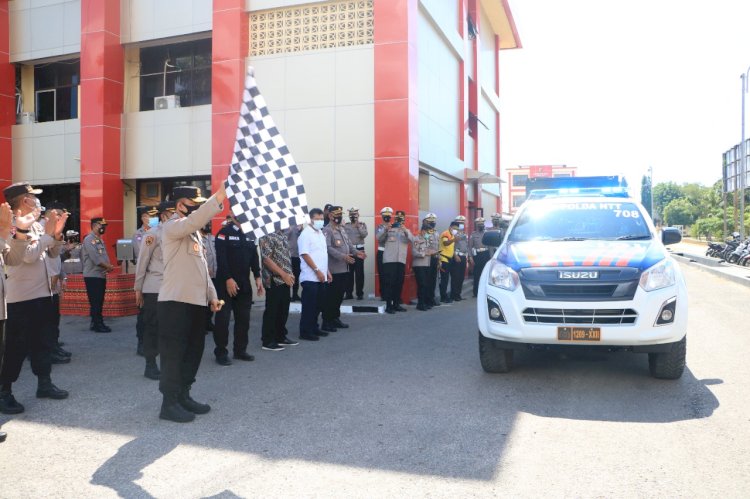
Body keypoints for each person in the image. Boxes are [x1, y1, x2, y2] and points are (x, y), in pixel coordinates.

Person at [0, 183, 70, 415]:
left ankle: (45, 383)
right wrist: (49, 236)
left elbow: (52, 253)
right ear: (24, 201)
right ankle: (5, 391)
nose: (37, 201)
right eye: (33, 197)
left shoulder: (37, 227)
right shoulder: (11, 226)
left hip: (42, 295)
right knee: (15, 348)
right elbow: (27, 256)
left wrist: (56, 235)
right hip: (19, 300)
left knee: (44, 342)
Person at [157, 185, 225, 423]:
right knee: (173, 354)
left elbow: (202, 270)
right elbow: (194, 220)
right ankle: (169, 403)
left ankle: (184, 394)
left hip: (196, 302)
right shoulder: (171, 226)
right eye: (192, 201)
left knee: (193, 352)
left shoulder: (193, 232)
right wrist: (218, 198)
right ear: (179, 204)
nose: (196, 205)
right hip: (175, 302)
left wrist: (212, 295)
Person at [213, 213, 263, 366]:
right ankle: (221, 352)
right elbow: (221, 258)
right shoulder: (224, 233)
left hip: (243, 284)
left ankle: (240, 350)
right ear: (234, 215)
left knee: (244, 319)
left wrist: (257, 276)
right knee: (223, 319)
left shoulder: (250, 233)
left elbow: (254, 256)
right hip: (224, 284)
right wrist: (228, 278)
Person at [134, 201, 174, 381]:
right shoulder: (152, 235)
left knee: (170, 328)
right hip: (154, 287)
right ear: (164, 215)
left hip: (173, 287)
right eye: (172, 214)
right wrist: (138, 289)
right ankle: (150, 364)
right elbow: (142, 262)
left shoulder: (179, 234)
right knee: (152, 327)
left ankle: (168, 363)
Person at [322, 206, 364, 332]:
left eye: (340, 215)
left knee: (339, 296)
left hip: (344, 269)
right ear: (330, 216)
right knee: (331, 297)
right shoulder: (327, 230)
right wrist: (343, 256)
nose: (339, 217)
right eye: (336, 215)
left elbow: (349, 245)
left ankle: (335, 318)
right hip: (334, 269)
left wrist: (357, 253)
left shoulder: (342, 229)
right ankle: (327, 321)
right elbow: (328, 248)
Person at [259, 229, 298, 351]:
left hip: (285, 279)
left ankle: (280, 336)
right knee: (272, 310)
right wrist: (283, 274)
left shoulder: (282, 235)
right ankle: (268, 340)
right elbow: (267, 259)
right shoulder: (266, 236)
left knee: (283, 310)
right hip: (274, 280)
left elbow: (285, 257)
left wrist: (289, 273)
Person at [297, 208, 332, 341]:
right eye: (317, 219)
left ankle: (314, 327)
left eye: (321, 219)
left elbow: (322, 254)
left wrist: (326, 271)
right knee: (309, 305)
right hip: (310, 277)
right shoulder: (306, 234)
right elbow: (305, 254)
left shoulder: (320, 233)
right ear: (310, 219)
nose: (320, 221)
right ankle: (305, 331)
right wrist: (317, 270)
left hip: (321, 276)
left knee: (318, 304)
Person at [44, 203, 71, 365]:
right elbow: (44, 259)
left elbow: (57, 259)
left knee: (54, 319)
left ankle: (54, 346)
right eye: (59, 216)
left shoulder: (57, 234)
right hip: (45, 285)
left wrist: (63, 277)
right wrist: (52, 278)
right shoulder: (43, 231)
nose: (62, 219)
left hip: (54, 283)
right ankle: (48, 349)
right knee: (46, 321)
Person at [81, 217, 116, 332]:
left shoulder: (99, 240)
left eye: (104, 226)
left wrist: (108, 266)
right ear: (95, 225)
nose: (103, 228)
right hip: (92, 275)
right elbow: (95, 258)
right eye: (102, 226)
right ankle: (97, 325)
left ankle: (95, 322)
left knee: (99, 301)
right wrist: (108, 267)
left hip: (100, 275)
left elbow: (103, 257)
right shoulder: (89, 239)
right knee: (96, 301)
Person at [133, 206, 159, 355]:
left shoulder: (160, 232)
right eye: (150, 216)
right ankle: (141, 341)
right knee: (144, 314)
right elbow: (142, 256)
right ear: (143, 218)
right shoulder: (139, 234)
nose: (153, 219)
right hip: (146, 277)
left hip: (159, 280)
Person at [378, 210, 414, 314]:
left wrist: (405, 230)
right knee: (389, 283)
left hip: (400, 260)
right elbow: (378, 238)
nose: (399, 221)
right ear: (394, 219)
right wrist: (386, 229)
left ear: (404, 220)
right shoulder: (389, 229)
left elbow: (413, 240)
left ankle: (396, 304)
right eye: (398, 219)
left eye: (401, 219)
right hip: (389, 260)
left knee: (399, 283)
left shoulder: (406, 231)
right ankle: (389, 305)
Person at [413, 214, 439, 311]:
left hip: (433, 258)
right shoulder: (418, 237)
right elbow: (417, 250)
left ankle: (429, 300)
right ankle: (424, 301)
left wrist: (438, 259)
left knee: (431, 281)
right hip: (424, 260)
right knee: (424, 283)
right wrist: (426, 254)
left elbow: (436, 247)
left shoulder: (435, 233)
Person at [344, 207, 368, 300]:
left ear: (358, 215)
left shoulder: (362, 225)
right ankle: (348, 293)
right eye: (351, 215)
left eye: (355, 215)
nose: (353, 216)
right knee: (349, 273)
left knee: (359, 273)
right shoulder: (346, 225)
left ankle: (359, 293)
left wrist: (358, 226)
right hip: (349, 251)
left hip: (359, 250)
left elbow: (364, 234)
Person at [469, 216, 492, 298]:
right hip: (477, 256)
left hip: (486, 255)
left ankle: (485, 292)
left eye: (482, 224)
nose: (481, 225)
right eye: (479, 224)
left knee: (485, 274)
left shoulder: (487, 233)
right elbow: (470, 247)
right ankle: (476, 292)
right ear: (476, 225)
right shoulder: (473, 235)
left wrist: (491, 257)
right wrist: (470, 257)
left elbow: (490, 246)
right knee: (477, 274)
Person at [201, 223, 217, 332]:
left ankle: (209, 322)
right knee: (203, 301)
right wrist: (206, 267)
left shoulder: (213, 238)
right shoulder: (197, 239)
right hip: (203, 276)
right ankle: (202, 324)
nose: (208, 226)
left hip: (215, 274)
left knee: (212, 300)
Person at [423, 213, 441, 309]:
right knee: (427, 280)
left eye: (433, 222)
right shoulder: (424, 233)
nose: (432, 223)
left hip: (435, 258)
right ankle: (426, 300)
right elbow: (424, 246)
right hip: (427, 259)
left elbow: (438, 246)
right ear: (426, 222)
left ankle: (431, 298)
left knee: (433, 280)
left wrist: (439, 260)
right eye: (430, 222)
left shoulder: (436, 233)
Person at [375, 207, 393, 300]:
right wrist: (385, 230)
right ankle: (384, 295)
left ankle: (391, 294)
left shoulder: (394, 227)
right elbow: (379, 238)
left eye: (388, 216)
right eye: (385, 216)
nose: (387, 217)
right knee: (382, 274)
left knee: (390, 274)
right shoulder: (379, 227)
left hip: (391, 253)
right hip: (382, 251)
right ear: (382, 216)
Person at [439, 219, 458, 303]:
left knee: (447, 279)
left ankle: (445, 295)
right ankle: (443, 297)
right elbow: (445, 243)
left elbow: (451, 248)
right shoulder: (445, 234)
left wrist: (455, 255)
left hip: (450, 259)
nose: (455, 230)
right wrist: (453, 240)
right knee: (444, 279)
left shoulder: (452, 235)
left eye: (456, 229)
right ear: (450, 227)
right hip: (443, 259)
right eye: (454, 228)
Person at [450, 215, 469, 301]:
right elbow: (451, 245)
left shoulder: (464, 233)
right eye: (460, 223)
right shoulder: (453, 232)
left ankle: (458, 294)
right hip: (457, 256)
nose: (462, 224)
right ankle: (453, 295)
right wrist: (455, 255)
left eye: (463, 223)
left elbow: (466, 245)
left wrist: (467, 256)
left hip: (463, 256)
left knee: (461, 277)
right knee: (455, 277)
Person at [286, 225, 302, 301]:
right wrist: (291, 229)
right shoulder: (287, 226)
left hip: (297, 255)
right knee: (289, 275)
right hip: (289, 255)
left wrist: (300, 229)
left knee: (296, 275)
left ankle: (295, 294)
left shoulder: (299, 226)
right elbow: (285, 236)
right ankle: (288, 295)